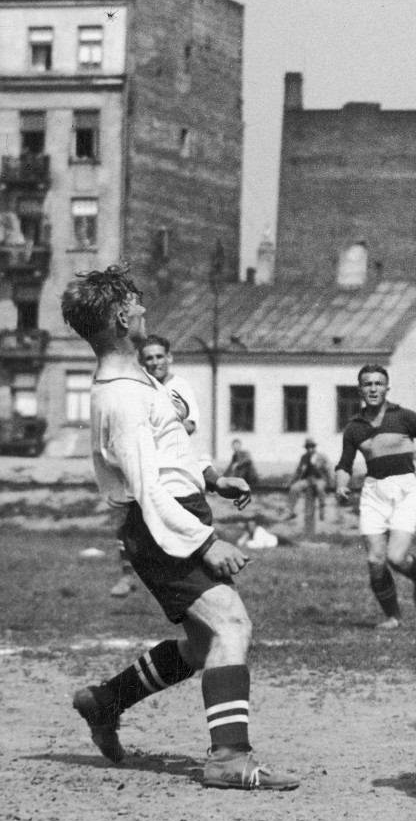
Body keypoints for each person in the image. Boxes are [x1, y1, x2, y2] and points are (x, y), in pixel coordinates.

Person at [61, 263, 298, 791]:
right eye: (138, 304)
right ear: (123, 316)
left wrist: (211, 478)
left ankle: (106, 701)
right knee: (231, 625)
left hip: (178, 514)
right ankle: (229, 758)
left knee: (200, 647)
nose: (146, 310)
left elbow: (167, 455)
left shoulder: (133, 379)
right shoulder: (120, 395)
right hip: (163, 525)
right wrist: (207, 542)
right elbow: (147, 490)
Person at [335, 365, 416, 629]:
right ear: (359, 390)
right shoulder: (354, 427)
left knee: (396, 558)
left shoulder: (405, 417)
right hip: (373, 492)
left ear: (387, 388)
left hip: (404, 490)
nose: (373, 389)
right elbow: (344, 464)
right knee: (375, 560)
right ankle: (393, 617)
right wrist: (341, 485)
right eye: (367, 384)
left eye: (378, 384)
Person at [110, 333, 202, 598]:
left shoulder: (180, 386)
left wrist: (165, 427)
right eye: (149, 358)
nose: (155, 362)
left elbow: (191, 424)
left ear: (169, 358)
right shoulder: (139, 387)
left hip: (173, 466)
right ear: (142, 361)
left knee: (179, 523)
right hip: (143, 464)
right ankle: (128, 577)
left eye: (159, 356)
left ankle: (189, 579)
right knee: (126, 520)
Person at [286, 438, 333, 521]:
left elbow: (329, 470)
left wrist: (331, 482)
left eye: (312, 447)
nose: (310, 449)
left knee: (320, 489)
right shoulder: (304, 457)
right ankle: (290, 512)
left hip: (319, 479)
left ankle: (322, 512)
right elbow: (298, 471)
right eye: (308, 447)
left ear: (315, 447)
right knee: (294, 488)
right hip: (307, 479)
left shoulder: (322, 457)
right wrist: (291, 482)